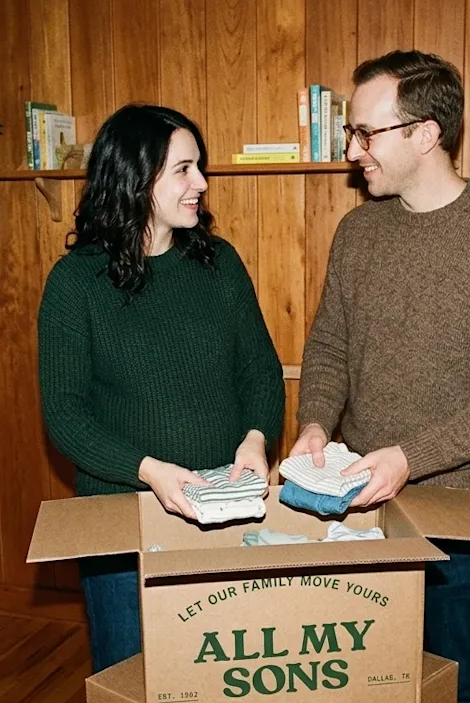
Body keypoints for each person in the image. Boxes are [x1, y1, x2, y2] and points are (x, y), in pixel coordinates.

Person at [288, 51, 470, 703]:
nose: (353, 150)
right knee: (371, 682)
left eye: (365, 134)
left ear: (426, 134)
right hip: (357, 504)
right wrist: (316, 424)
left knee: (460, 683)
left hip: (456, 509)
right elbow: (328, 346)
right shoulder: (357, 232)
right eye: (353, 133)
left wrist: (412, 459)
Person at [37, 104, 285, 672]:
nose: (201, 183)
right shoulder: (76, 283)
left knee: (221, 680)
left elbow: (261, 370)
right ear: (133, 179)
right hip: (123, 521)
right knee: (134, 676)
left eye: (200, 167)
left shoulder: (220, 263)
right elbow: (66, 415)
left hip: (225, 515)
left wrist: (255, 440)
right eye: (184, 169)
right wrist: (150, 471)